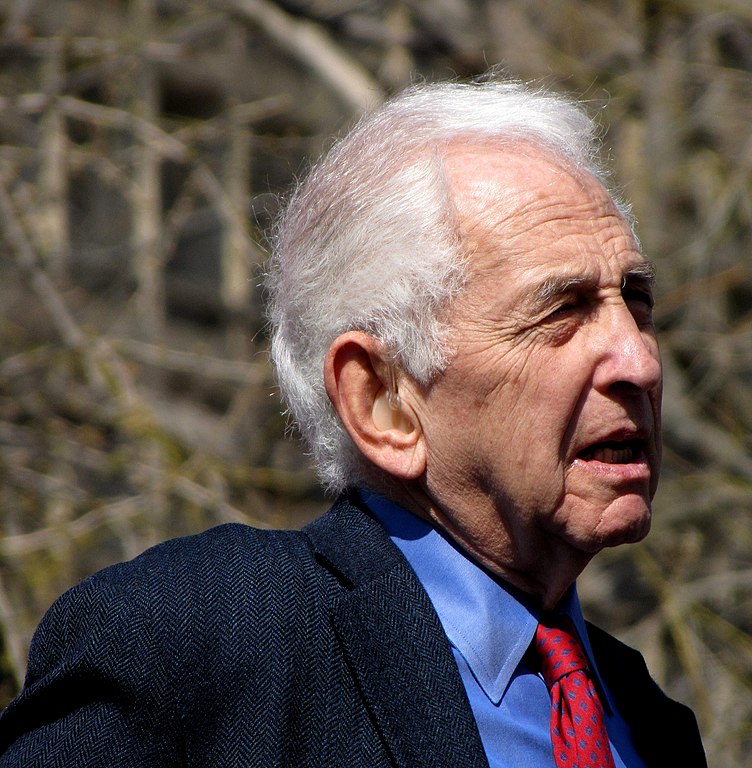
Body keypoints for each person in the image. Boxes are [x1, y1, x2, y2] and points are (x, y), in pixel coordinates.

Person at [0, 78, 707, 767]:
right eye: (561, 310)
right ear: (385, 404)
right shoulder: (195, 640)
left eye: (636, 302)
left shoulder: (651, 721)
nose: (638, 362)